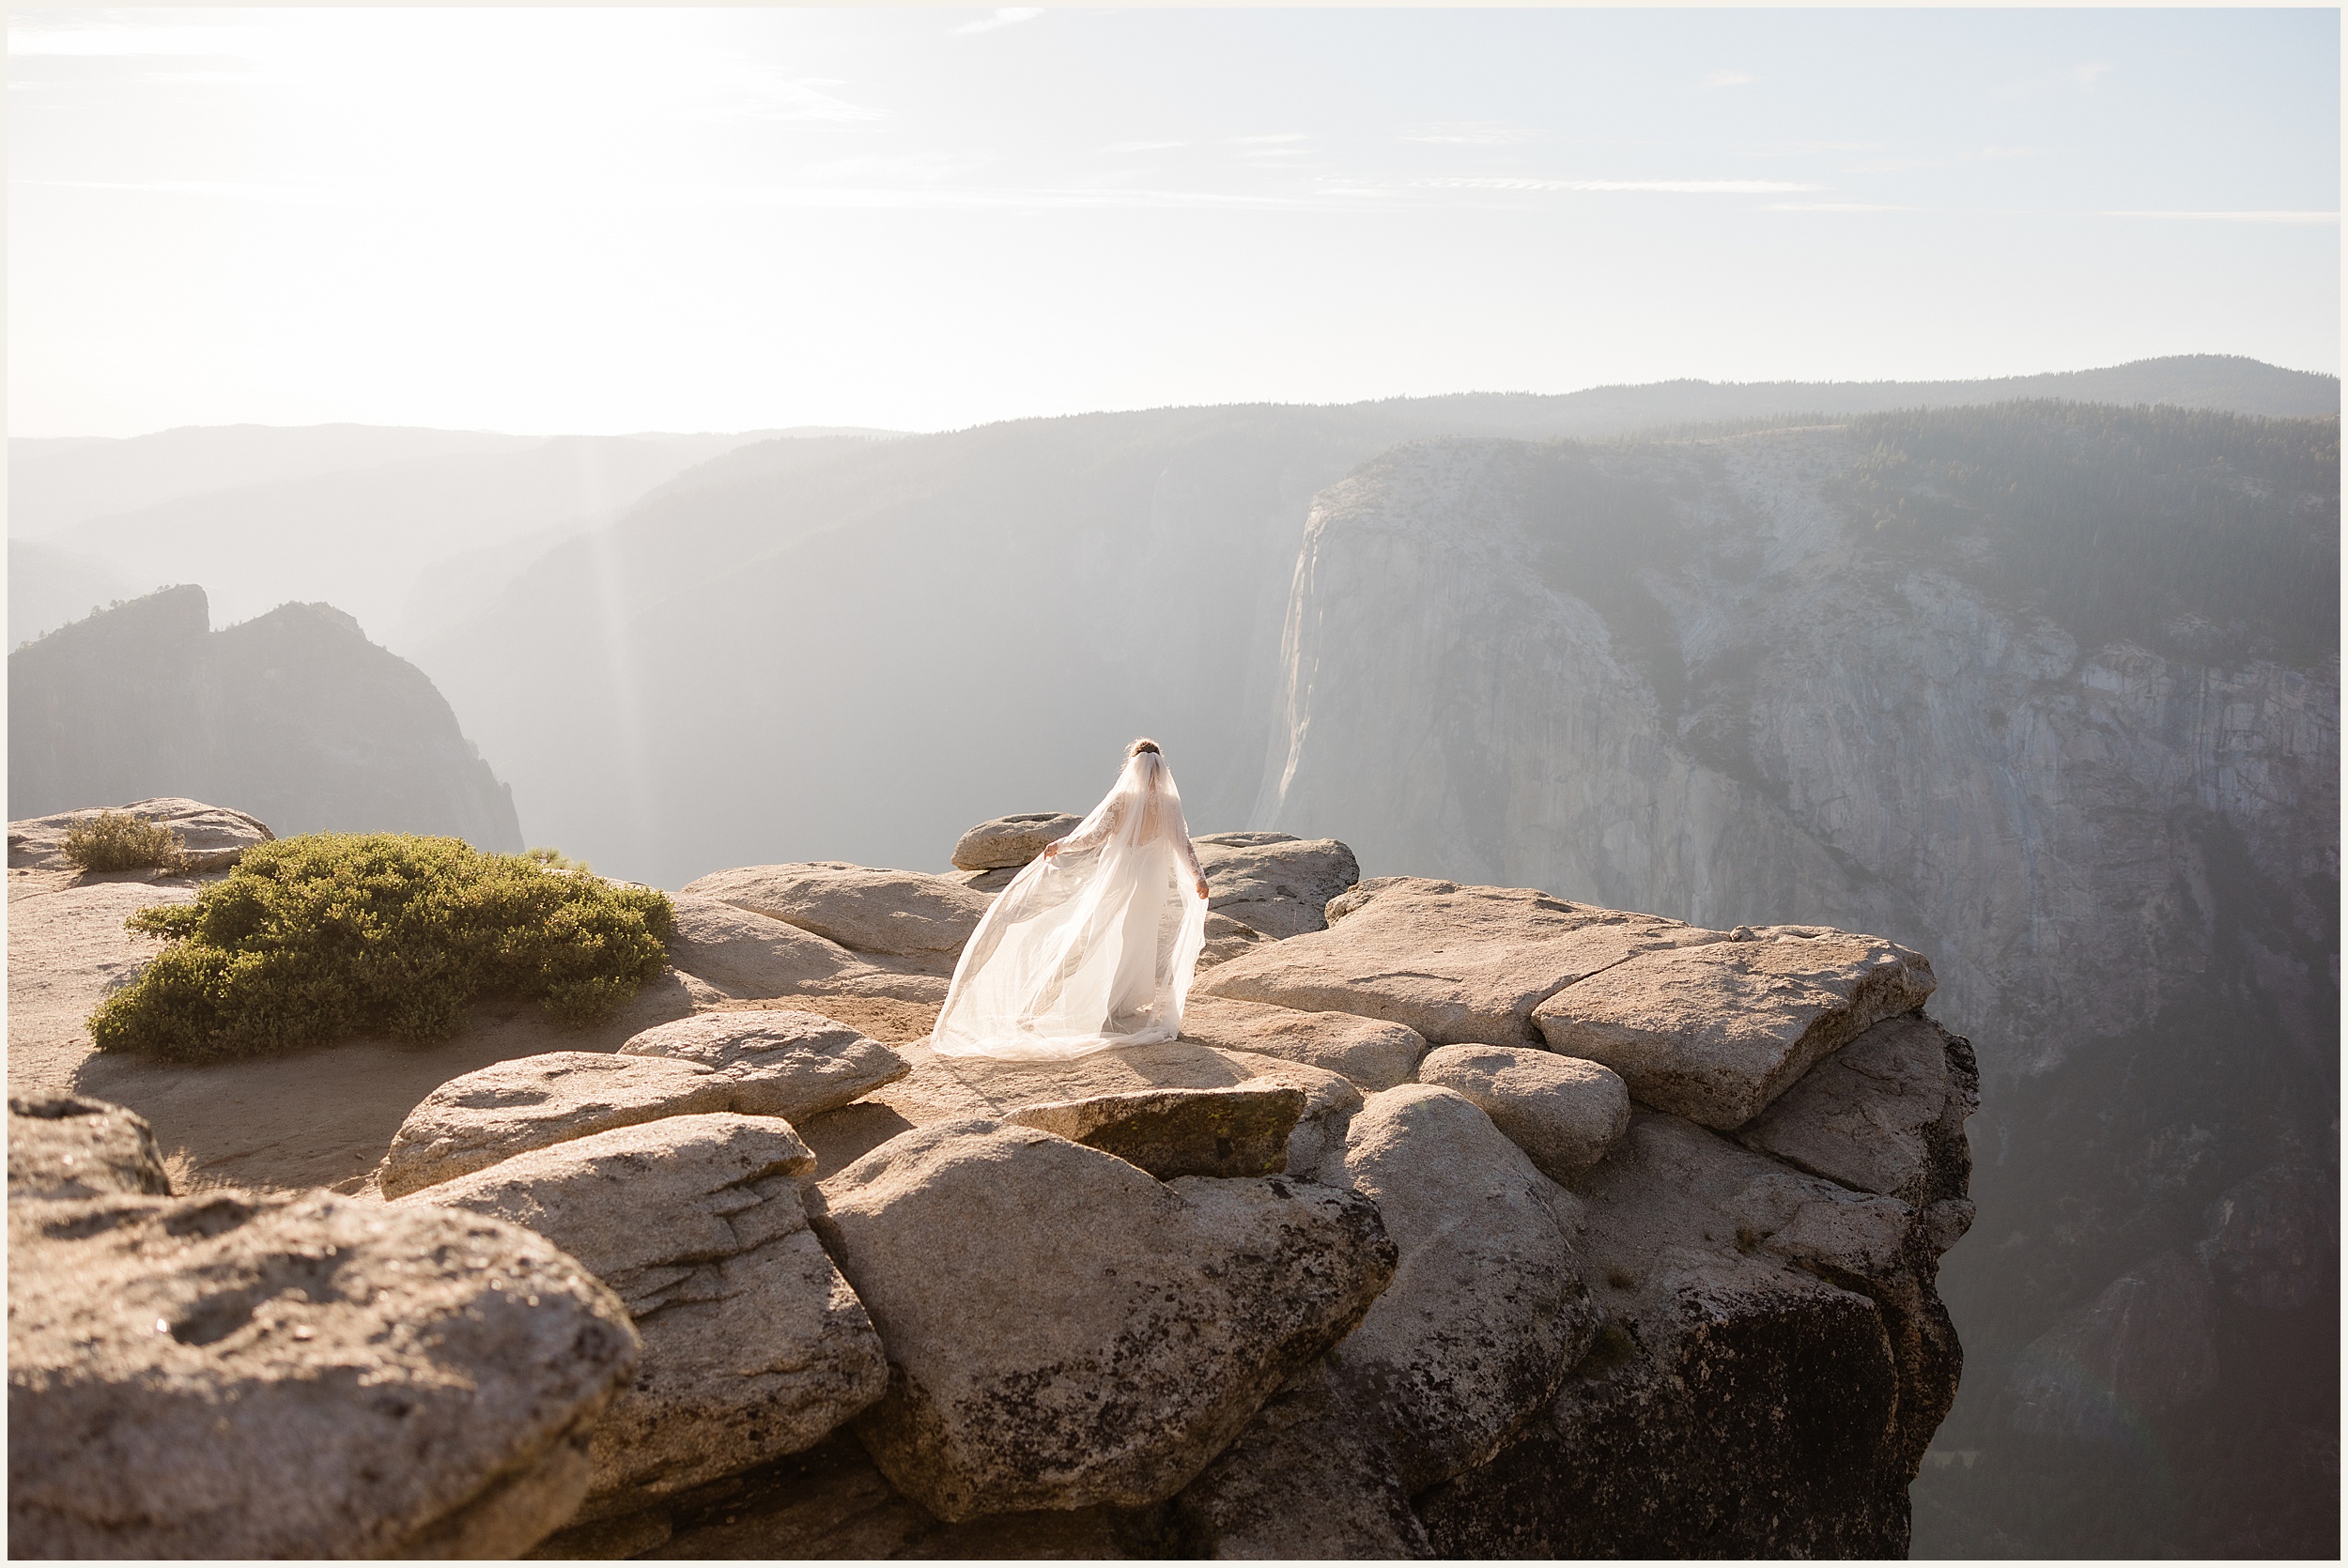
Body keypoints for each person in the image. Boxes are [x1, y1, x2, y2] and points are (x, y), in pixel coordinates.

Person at [930, 738, 1212, 1059]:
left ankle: (1106, 1001)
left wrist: (1062, 845)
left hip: (1120, 878)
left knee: (1104, 934)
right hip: (1150, 883)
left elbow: (1094, 835)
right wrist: (1198, 878)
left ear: (1131, 766)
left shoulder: (1123, 800)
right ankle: (1128, 1000)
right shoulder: (1169, 804)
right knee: (1139, 935)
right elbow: (1183, 844)